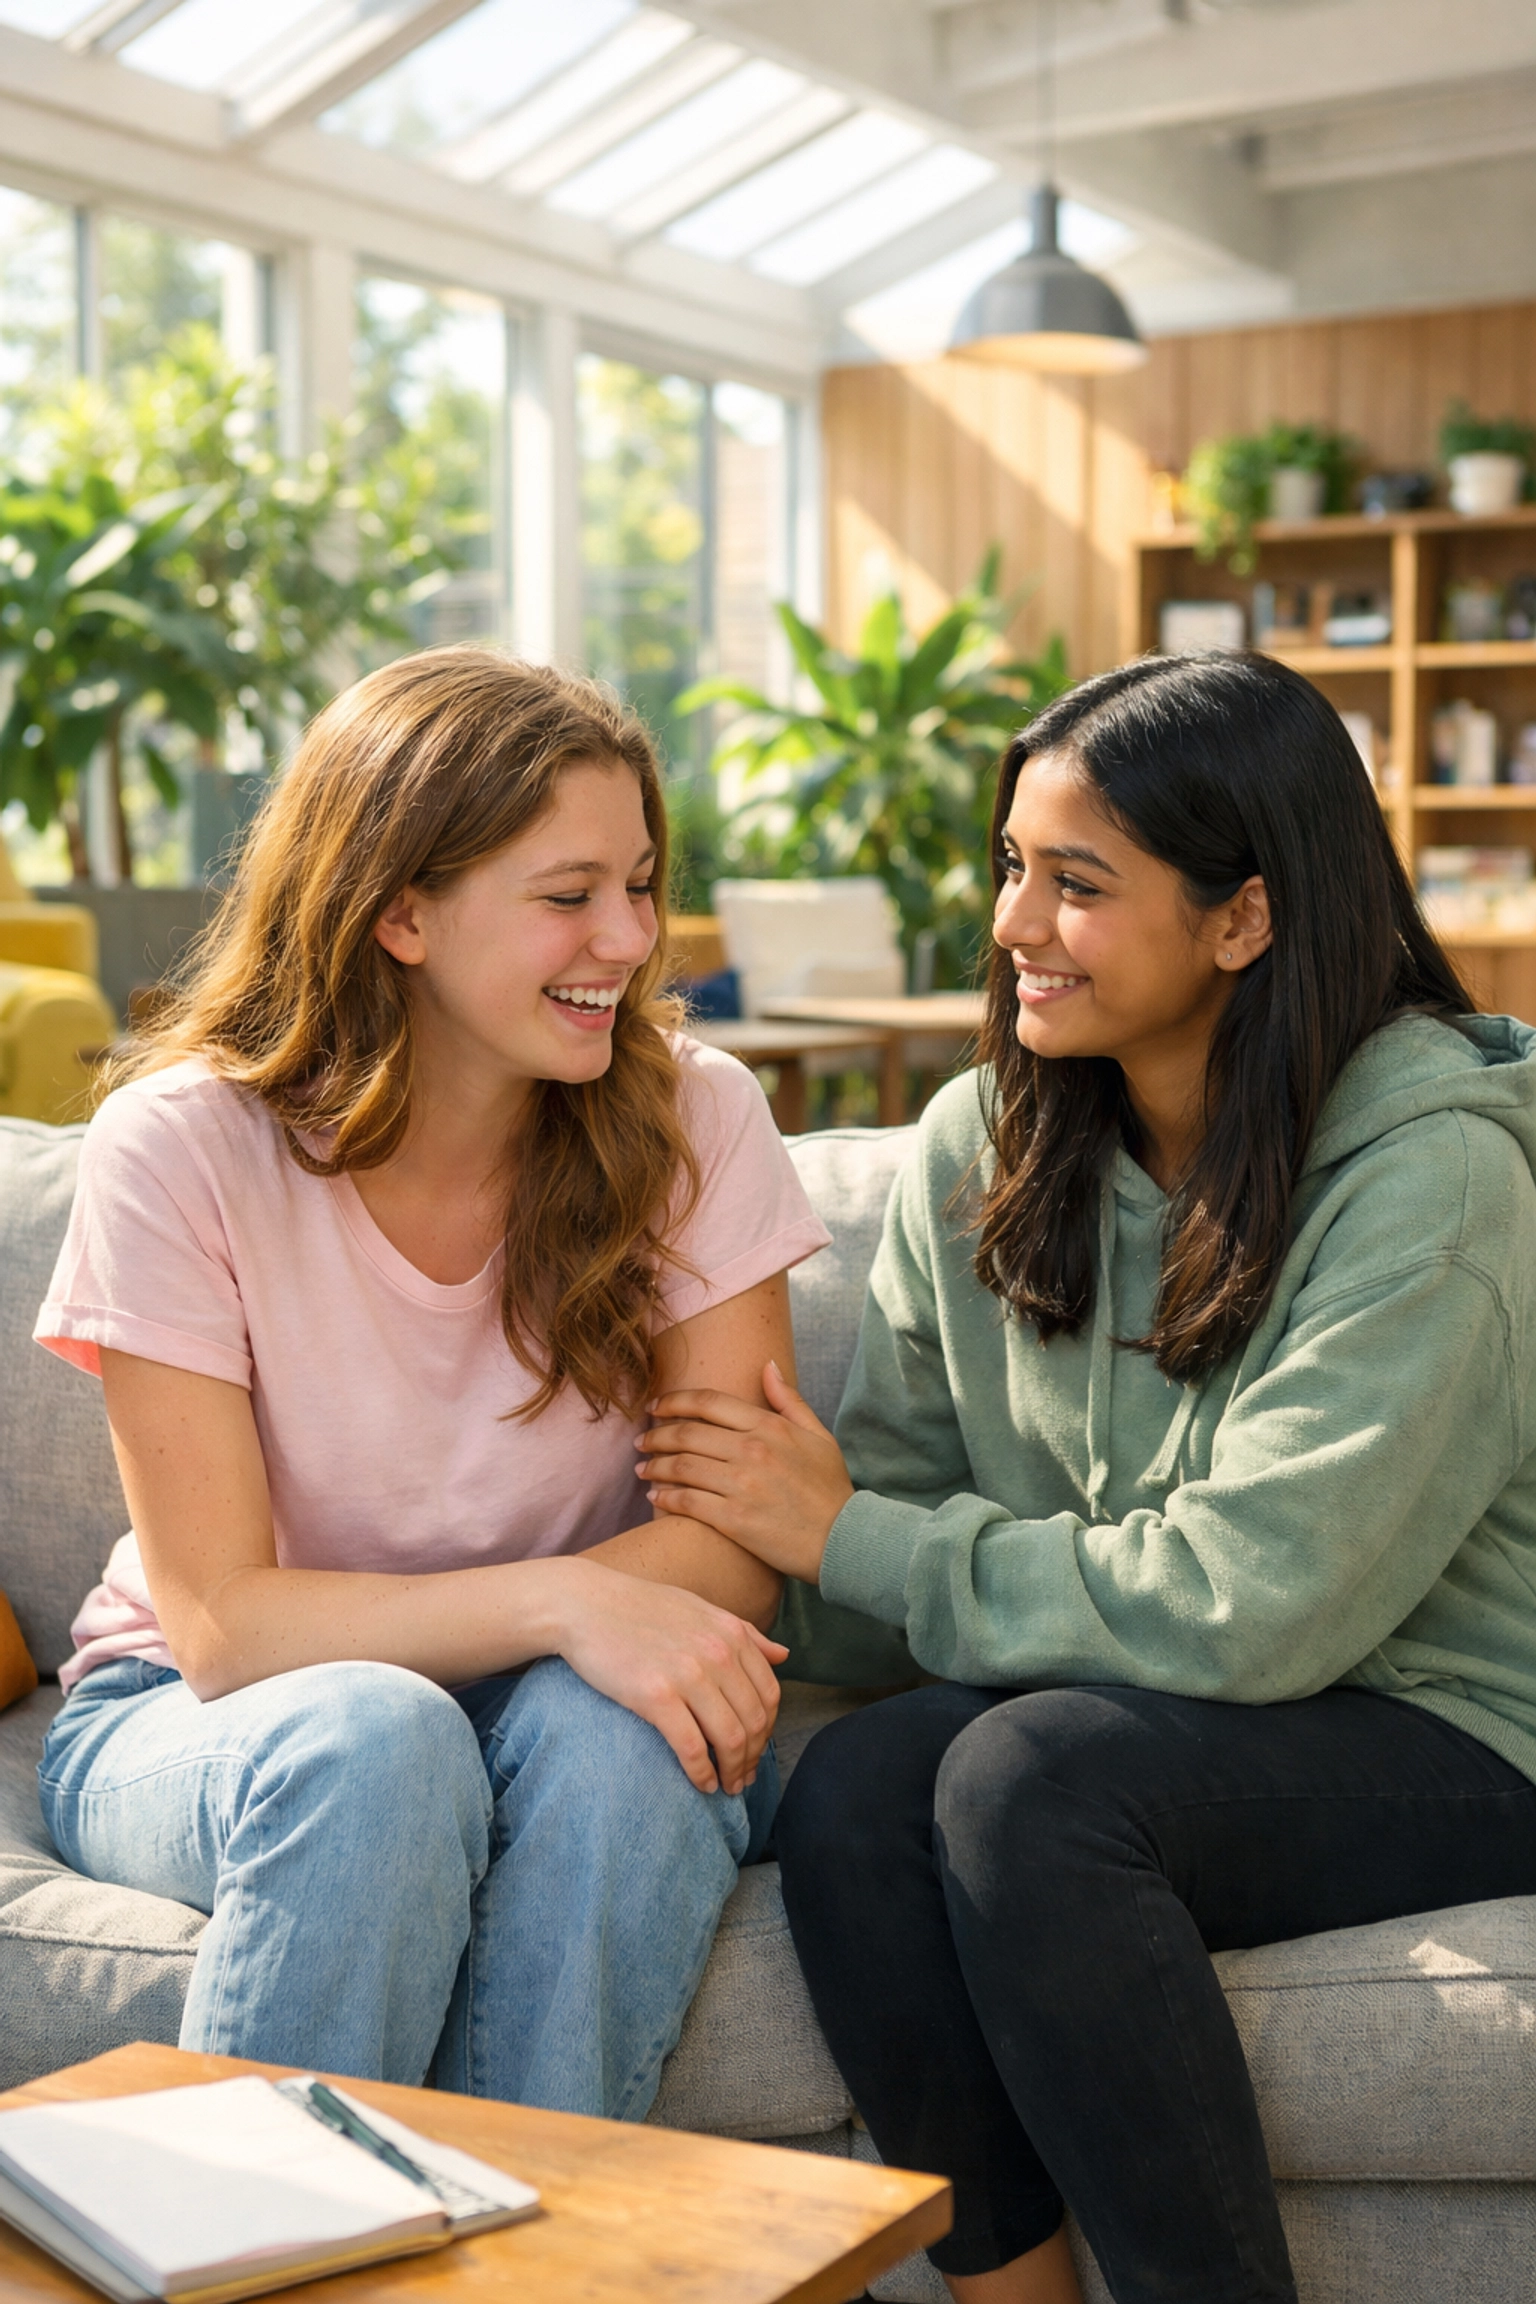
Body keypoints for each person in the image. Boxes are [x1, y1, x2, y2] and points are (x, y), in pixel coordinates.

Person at [636, 651, 1536, 2304]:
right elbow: (886, 1577)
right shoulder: (983, 1146)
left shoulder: (1442, 1179)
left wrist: (853, 1536)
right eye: (1010, 867)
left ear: (1243, 918)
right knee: (865, 1789)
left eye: (1079, 884)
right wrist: (700, 1576)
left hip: (1453, 1726)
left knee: (1029, 1780)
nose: (1013, 925)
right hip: (1146, 1700)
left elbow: (1259, 1610)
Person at [34, 647, 830, 2118]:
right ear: (400, 909)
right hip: (213, 1713)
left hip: (568, 1694)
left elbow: (735, 1542)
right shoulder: (180, 1149)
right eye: (568, 894)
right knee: (377, 1740)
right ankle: (244, 2254)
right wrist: (565, 1596)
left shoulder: (695, 1116)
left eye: (641, 884)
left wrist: (574, 1626)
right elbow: (223, 1626)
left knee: (626, 1748)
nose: (630, 938)